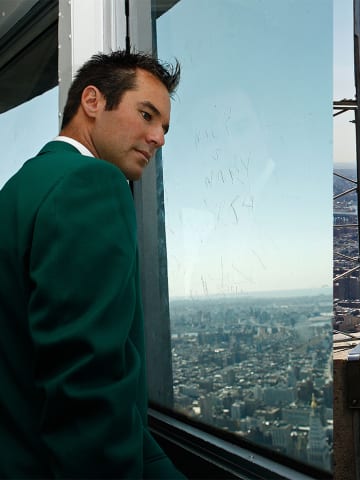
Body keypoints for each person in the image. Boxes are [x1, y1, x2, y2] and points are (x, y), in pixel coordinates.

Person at [0, 50, 184, 478]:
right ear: (93, 102)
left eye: (164, 127)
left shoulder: (17, 191)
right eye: (146, 114)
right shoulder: (91, 183)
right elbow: (87, 394)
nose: (158, 138)